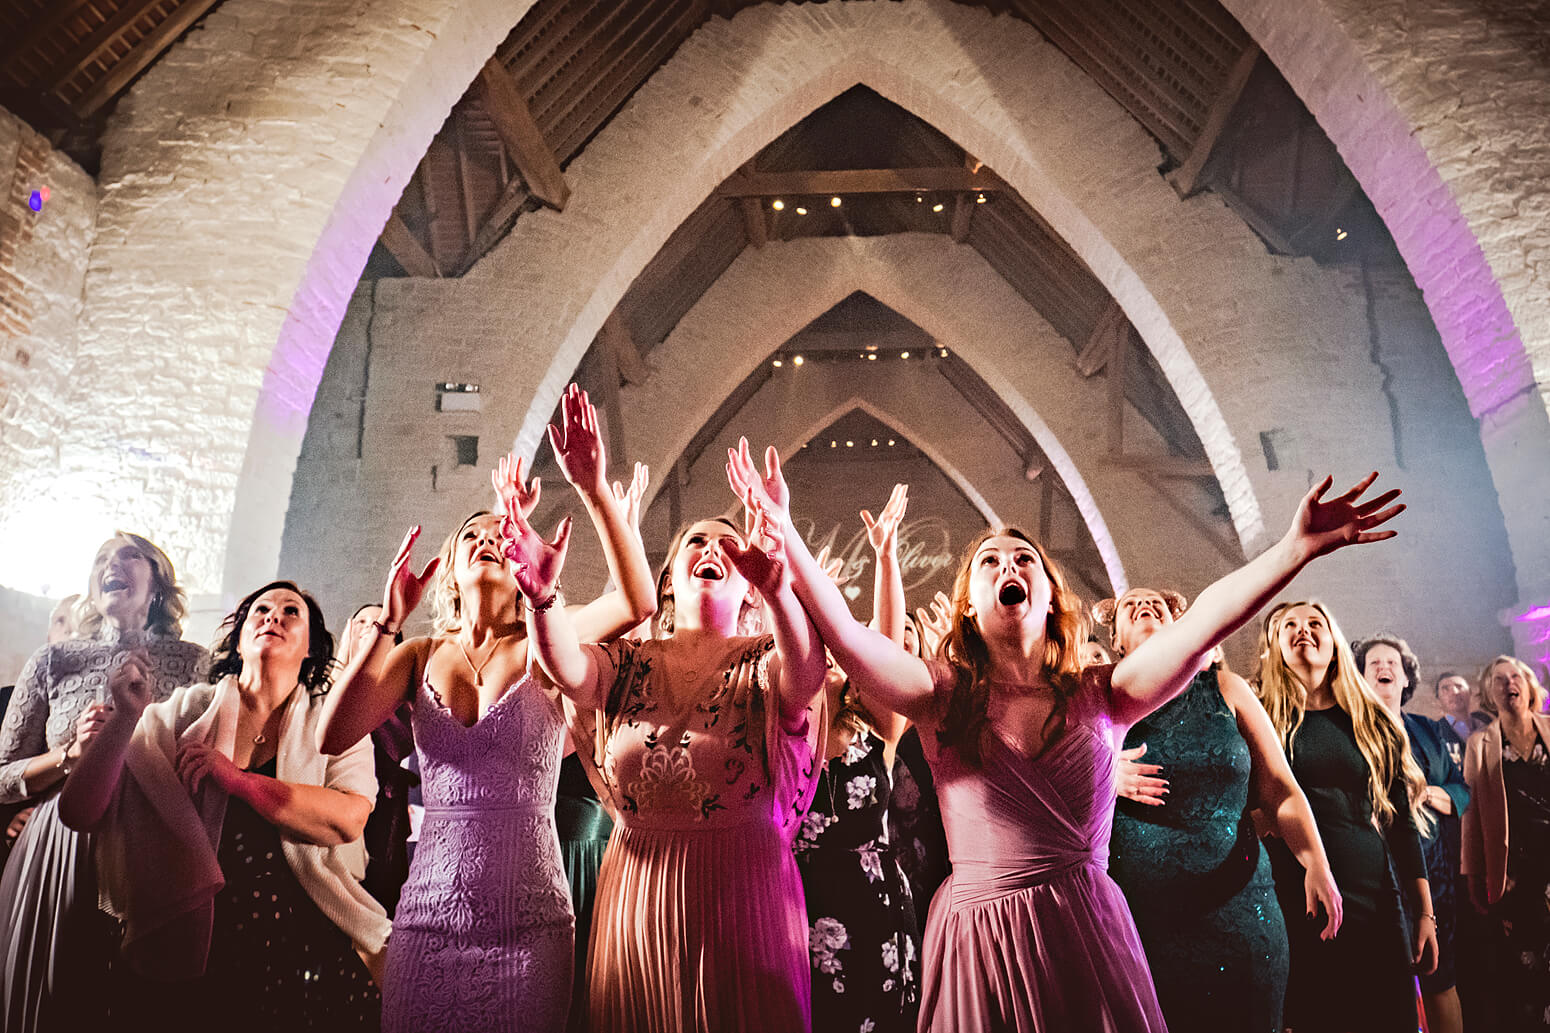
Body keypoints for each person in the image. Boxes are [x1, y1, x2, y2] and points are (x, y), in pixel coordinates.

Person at [733, 441, 1402, 1032]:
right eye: (989, 562)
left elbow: (1200, 625)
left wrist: (1294, 550)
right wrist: (786, 532)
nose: (1007, 565)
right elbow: (848, 641)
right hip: (977, 937)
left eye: (1022, 557)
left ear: (1050, 594)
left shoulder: (1102, 695)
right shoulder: (943, 695)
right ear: (970, 602)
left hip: (1083, 926)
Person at [319, 384, 656, 1033]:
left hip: (527, 925)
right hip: (426, 918)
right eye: (472, 533)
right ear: (448, 567)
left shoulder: (547, 640)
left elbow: (637, 599)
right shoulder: (417, 653)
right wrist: (388, 620)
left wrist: (592, 488)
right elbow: (335, 732)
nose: (487, 539)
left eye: (501, 533)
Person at [526, 481, 828, 1032]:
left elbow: (806, 676)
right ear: (668, 581)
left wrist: (783, 591)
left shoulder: (763, 659)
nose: (712, 549)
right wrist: (544, 602)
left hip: (742, 893)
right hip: (639, 893)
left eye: (727, 542)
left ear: (750, 586)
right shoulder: (628, 661)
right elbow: (565, 668)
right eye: (696, 541)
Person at [58, 581, 388, 1032]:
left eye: (291, 612)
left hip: (307, 947)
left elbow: (348, 819)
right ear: (238, 638)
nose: (272, 616)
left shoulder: (335, 723)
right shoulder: (183, 711)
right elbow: (80, 812)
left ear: (312, 648)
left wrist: (239, 781)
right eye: (260, 610)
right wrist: (126, 718)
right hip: (194, 947)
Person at [1105, 586, 1341, 1033]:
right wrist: (1096, 769)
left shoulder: (1225, 688)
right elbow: (1041, 781)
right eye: (1131, 605)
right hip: (1140, 919)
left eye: (1156, 602)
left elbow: (1278, 786)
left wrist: (1316, 863)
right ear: (1116, 640)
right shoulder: (1096, 697)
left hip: (1242, 910)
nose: (1145, 605)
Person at [0, 533, 206, 1032]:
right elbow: (3, 776)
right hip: (61, 848)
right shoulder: (53, 660)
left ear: (157, 581)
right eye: (102, 560)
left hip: (151, 846)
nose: (113, 564)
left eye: (130, 555)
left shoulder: (195, 660)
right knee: (57, 998)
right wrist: (68, 756)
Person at [1257, 602, 1436, 1033]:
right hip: (1295, 897)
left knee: (1388, 1017)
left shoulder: (1372, 719)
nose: (1303, 631)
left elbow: (1401, 825)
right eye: (1289, 626)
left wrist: (1424, 914)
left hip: (1373, 895)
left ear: (1334, 642)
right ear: (1275, 647)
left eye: (1315, 623)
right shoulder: (1260, 717)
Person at [797, 485, 920, 1033]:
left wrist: (886, 554)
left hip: (877, 900)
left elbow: (887, 641)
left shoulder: (874, 722)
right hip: (798, 896)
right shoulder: (777, 722)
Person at [1355, 632, 1467, 1033]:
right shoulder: (1347, 730)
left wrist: (1442, 795)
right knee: (1386, 985)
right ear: (1361, 678)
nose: (1385, 668)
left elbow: (1462, 785)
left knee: (1442, 978)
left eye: (1393, 664)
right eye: (1374, 664)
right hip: (1376, 872)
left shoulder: (1428, 730)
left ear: (1406, 679)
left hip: (1434, 869)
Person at [1460, 655, 1550, 1033]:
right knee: (1525, 966)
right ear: (1489, 694)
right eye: (1498, 680)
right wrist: (1473, 874)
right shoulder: (1480, 742)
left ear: (1529, 686)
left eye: (1515, 677)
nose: (1508, 684)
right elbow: (1472, 816)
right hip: (1515, 872)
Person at [339, 603, 416, 916]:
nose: (370, 627)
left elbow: (402, 746)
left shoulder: (403, 693)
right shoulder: (326, 684)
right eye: (362, 621)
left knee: (379, 896)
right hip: (340, 797)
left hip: (387, 807)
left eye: (380, 622)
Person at [1435, 671, 1491, 753]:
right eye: (1446, 689)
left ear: (1470, 692)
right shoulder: (1436, 734)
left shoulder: (1487, 722)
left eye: (1459, 686)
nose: (1454, 692)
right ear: (1438, 699)